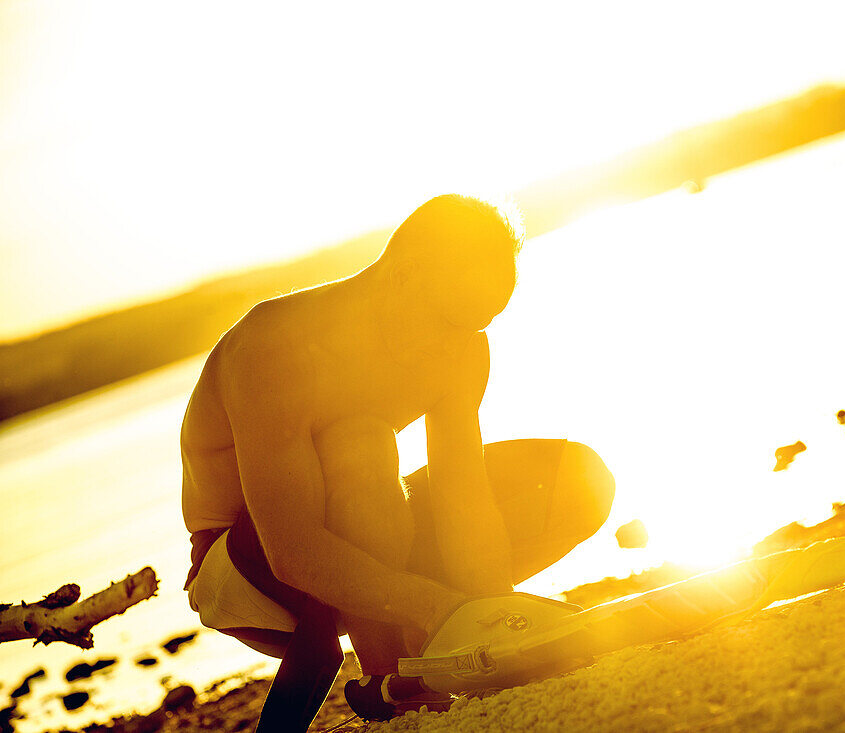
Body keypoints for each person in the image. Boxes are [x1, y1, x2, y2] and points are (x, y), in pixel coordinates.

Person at [180, 194, 615, 729]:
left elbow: (465, 503)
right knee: (360, 443)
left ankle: (426, 653)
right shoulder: (274, 348)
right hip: (249, 574)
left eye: (485, 319)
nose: (468, 340)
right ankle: (390, 676)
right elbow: (291, 551)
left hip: (370, 528)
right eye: (457, 317)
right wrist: (439, 607)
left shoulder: (461, 346)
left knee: (578, 480)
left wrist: (493, 621)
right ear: (405, 274)